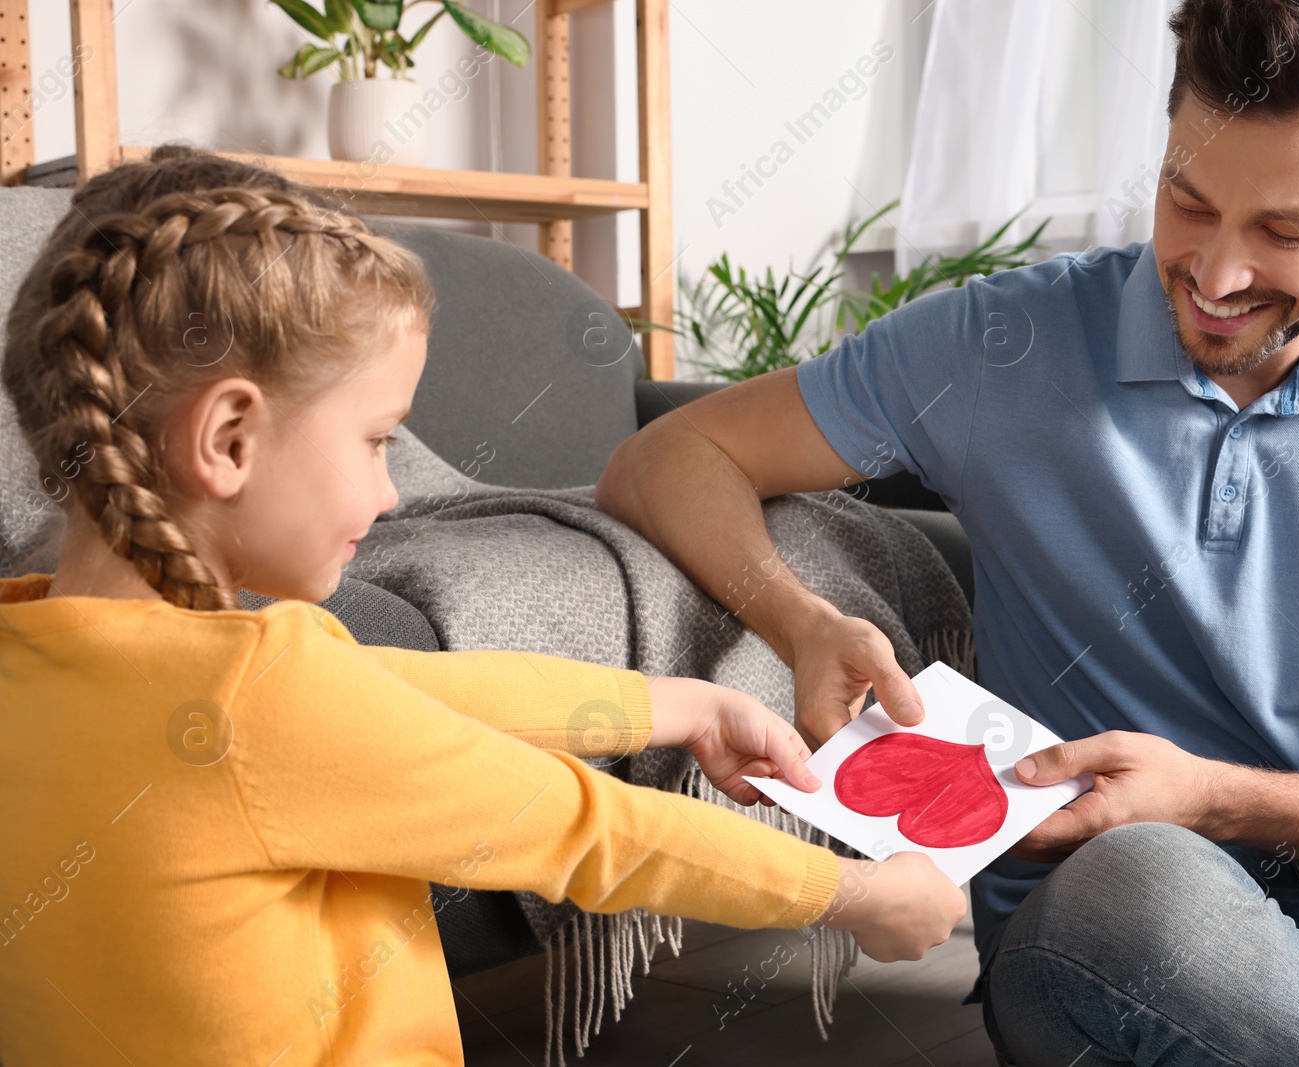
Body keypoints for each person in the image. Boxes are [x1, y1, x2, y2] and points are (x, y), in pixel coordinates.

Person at [594, 1, 1299, 1062]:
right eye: (1186, 199)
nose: (1214, 277)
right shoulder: (994, 342)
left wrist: (1215, 795)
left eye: (1284, 232)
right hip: (1110, 927)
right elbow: (667, 456)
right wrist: (799, 620)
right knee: (1143, 875)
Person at [0, 145, 966, 1067]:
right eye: (379, 440)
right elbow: (592, 831)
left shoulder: (47, 649)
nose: (389, 494)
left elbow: (398, 687)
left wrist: (685, 704)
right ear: (230, 437)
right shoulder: (263, 695)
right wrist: (855, 894)